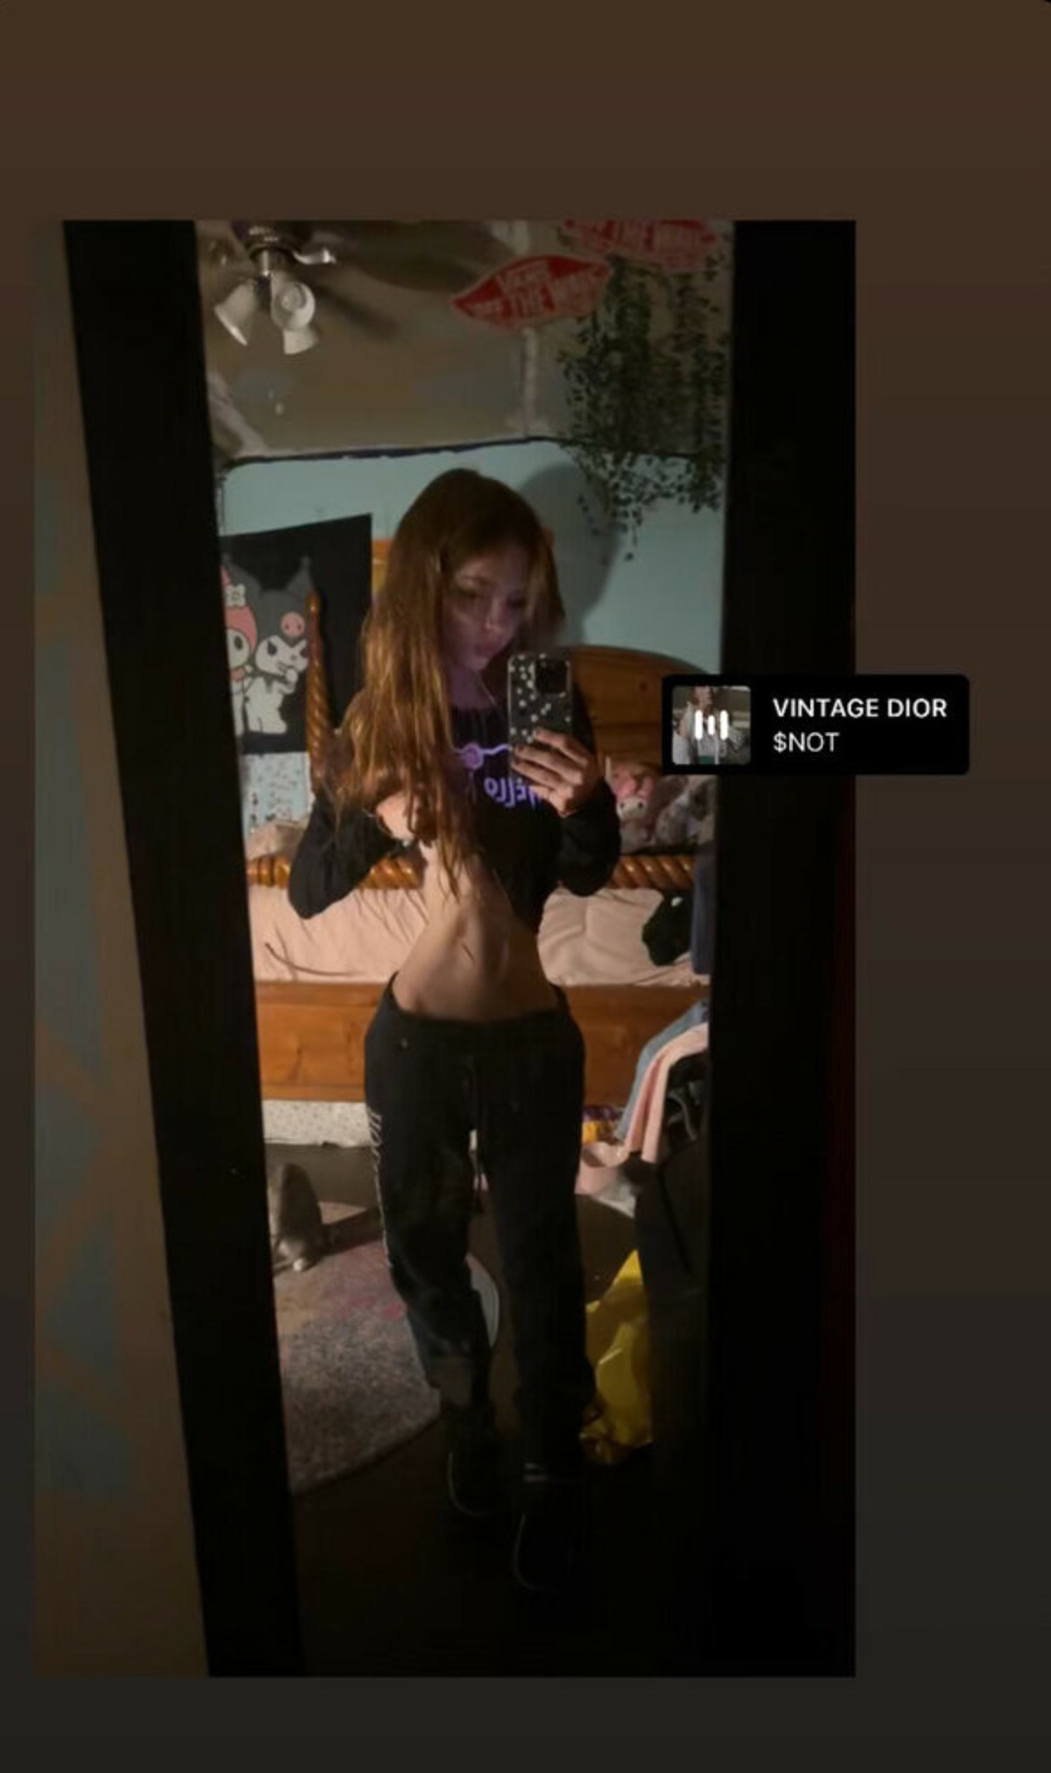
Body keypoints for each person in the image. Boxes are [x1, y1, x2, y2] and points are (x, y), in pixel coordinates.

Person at [287, 469, 621, 1592]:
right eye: (474, 594)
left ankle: (552, 1462)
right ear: (426, 585)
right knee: (428, 1257)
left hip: (532, 1041)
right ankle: (468, 1427)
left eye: (517, 600)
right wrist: (379, 815)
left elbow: (590, 871)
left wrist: (585, 804)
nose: (496, 623)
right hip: (418, 1044)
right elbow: (307, 891)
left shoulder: (548, 700)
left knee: (542, 1263)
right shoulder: (382, 718)